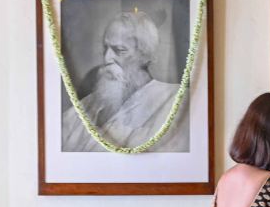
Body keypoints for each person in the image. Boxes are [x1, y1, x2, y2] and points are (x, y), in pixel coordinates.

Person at [61, 10, 189, 152]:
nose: (107, 58)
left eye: (120, 50)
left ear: (146, 55)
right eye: (105, 48)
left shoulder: (175, 100)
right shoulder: (82, 108)